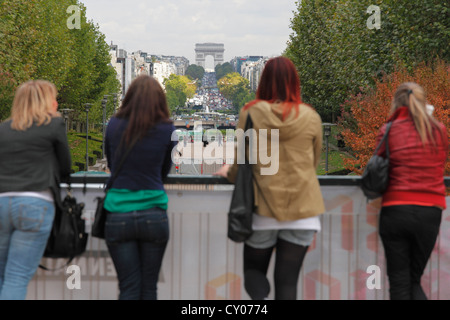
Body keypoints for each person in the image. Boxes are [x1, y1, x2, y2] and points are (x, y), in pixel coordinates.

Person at [215, 56, 325, 300]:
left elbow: (241, 163)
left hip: (263, 207)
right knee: (288, 285)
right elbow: (313, 163)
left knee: (254, 273)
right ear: (296, 82)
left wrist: (227, 172)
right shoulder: (311, 117)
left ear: (262, 82)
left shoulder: (251, 113)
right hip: (303, 209)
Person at [103, 75, 176, 300]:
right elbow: (165, 169)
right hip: (154, 213)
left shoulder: (113, 125)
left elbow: (112, 164)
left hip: (118, 214)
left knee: (128, 287)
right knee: (149, 288)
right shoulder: (167, 129)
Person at [375, 82, 448, 300]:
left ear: (396, 102)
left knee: (399, 282)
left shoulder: (388, 131)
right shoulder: (439, 130)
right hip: (430, 212)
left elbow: (377, 164)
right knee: (414, 279)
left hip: (395, 209)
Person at [0, 80, 72, 300]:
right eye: (54, 97)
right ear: (45, 101)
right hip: (35, 203)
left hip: (2, 203)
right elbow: (65, 167)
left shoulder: (3, 128)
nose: (56, 102)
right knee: (17, 277)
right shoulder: (53, 125)